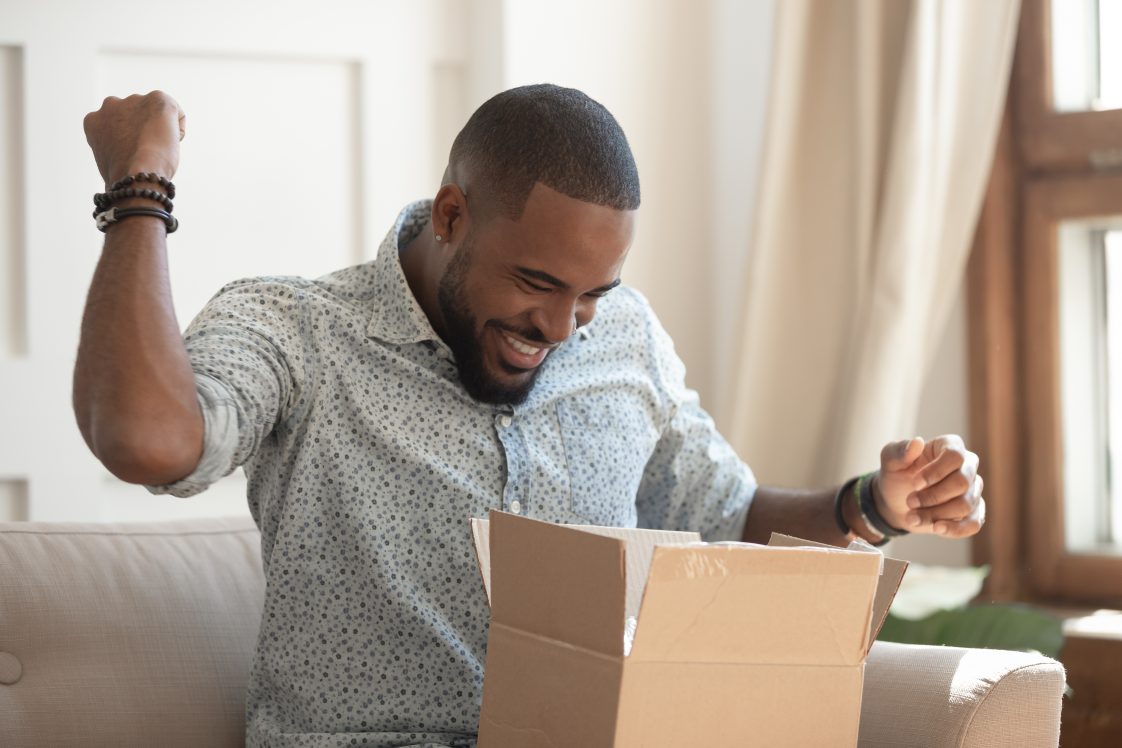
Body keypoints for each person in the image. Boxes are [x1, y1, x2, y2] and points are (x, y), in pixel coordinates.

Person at [75, 85, 984, 748]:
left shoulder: (622, 340)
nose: (560, 329)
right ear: (452, 215)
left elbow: (729, 516)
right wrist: (140, 190)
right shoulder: (301, 331)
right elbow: (147, 440)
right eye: (537, 283)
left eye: (592, 294)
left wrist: (871, 504)